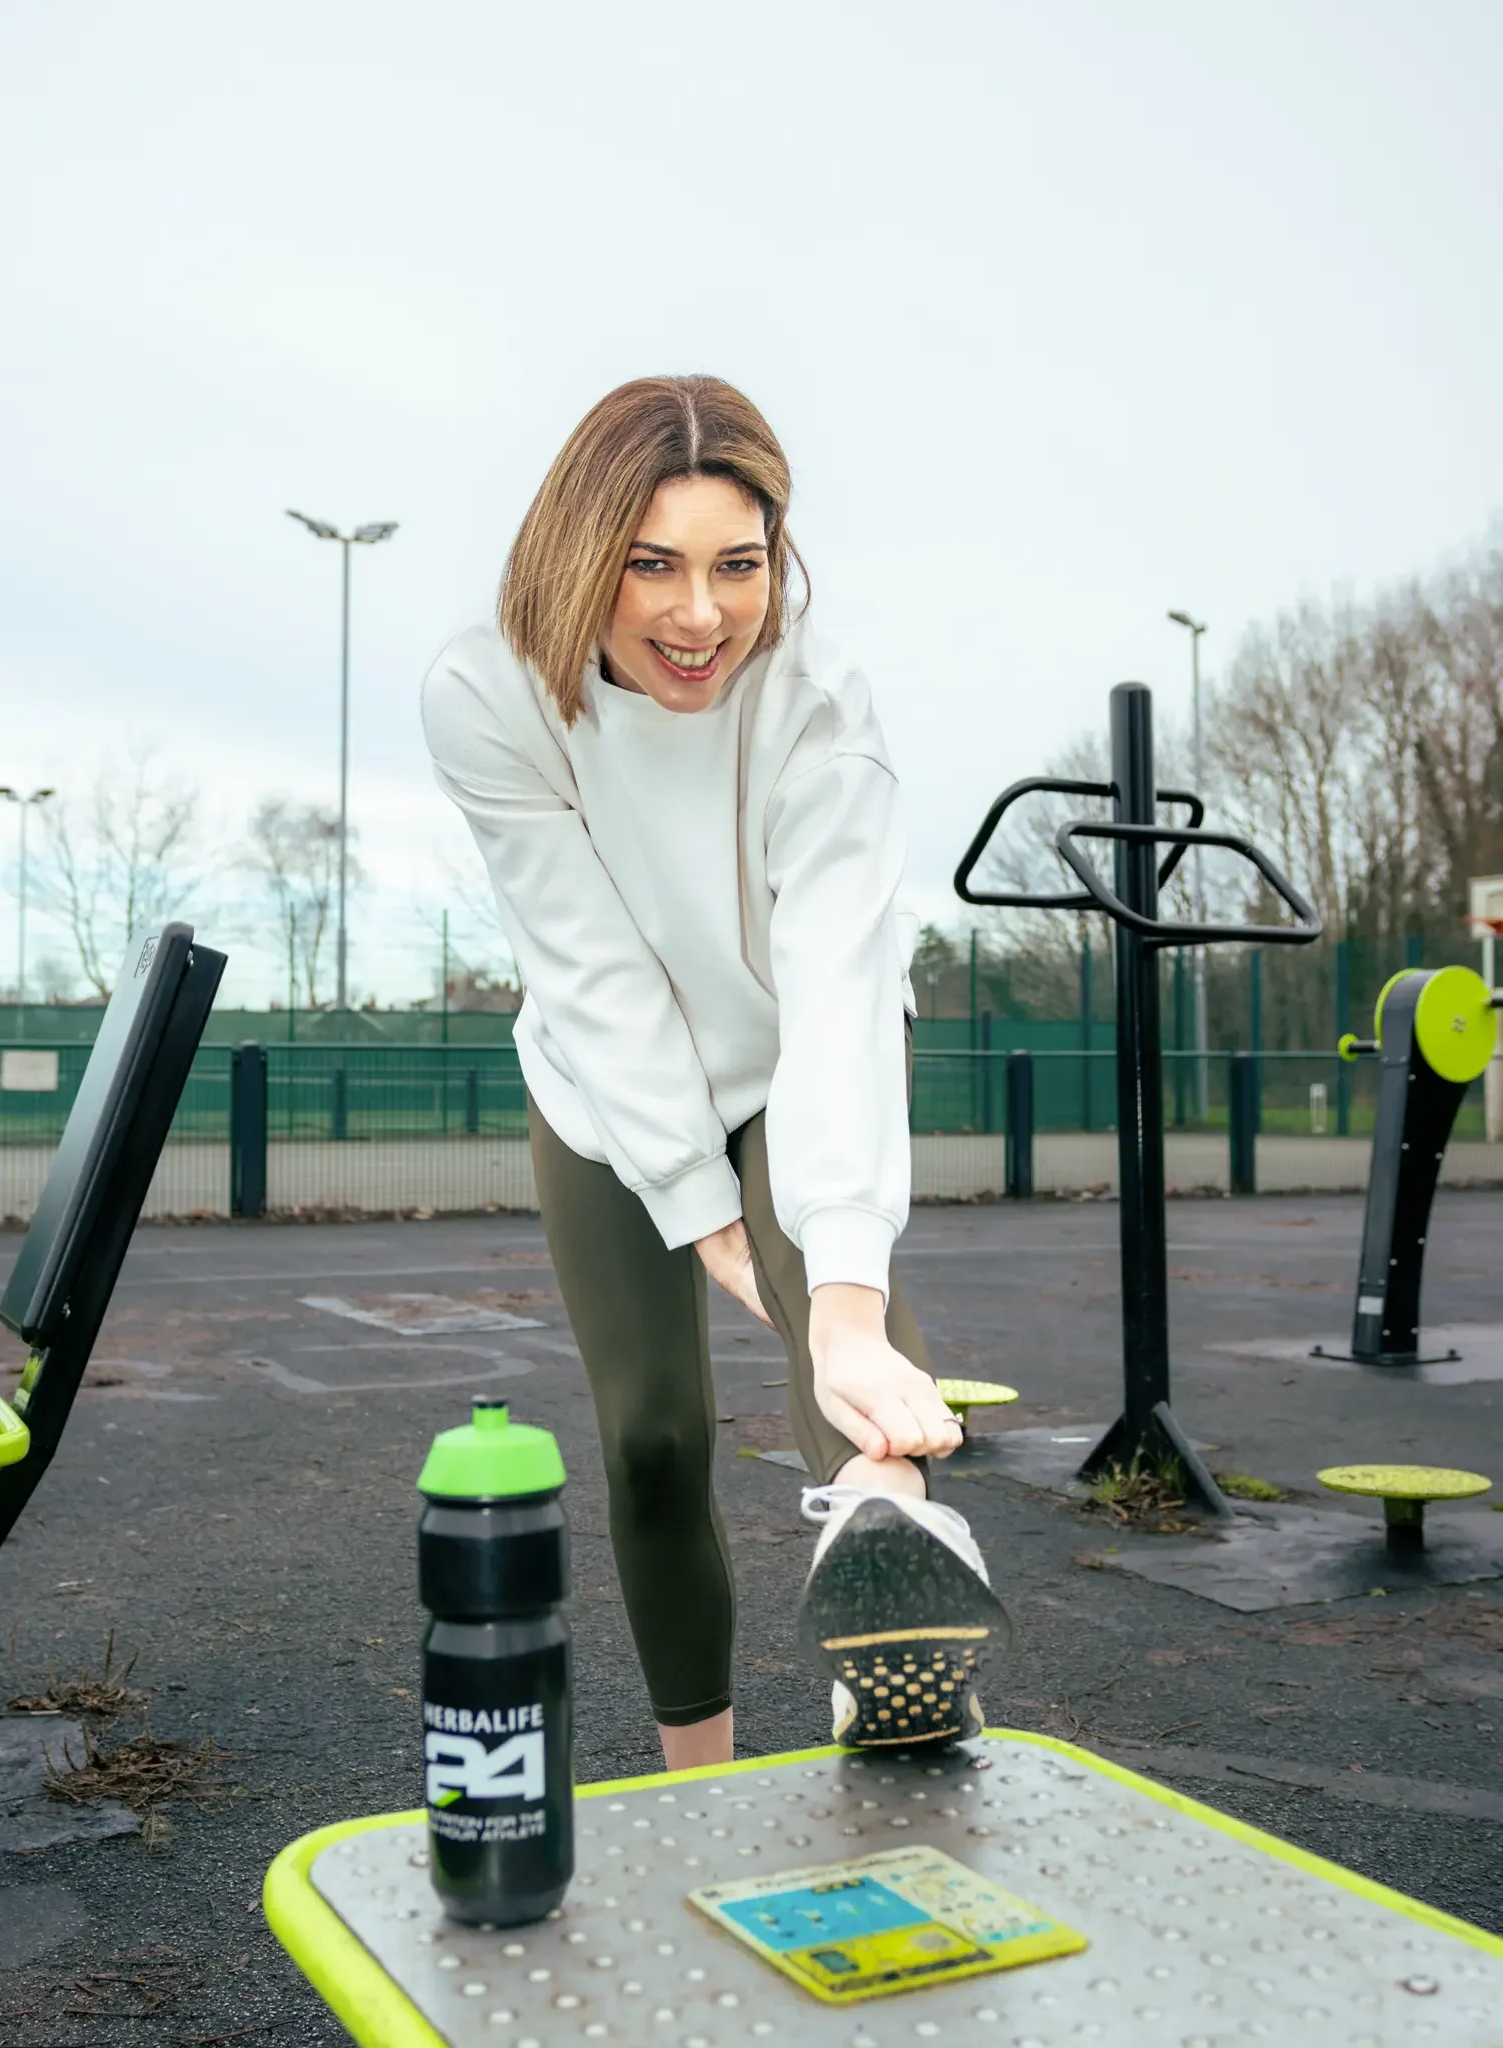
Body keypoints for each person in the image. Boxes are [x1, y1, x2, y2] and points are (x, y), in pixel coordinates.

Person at [421, 375, 1010, 1770]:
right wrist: (696, 1200)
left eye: (736, 566)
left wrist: (842, 1292)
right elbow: (592, 970)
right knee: (651, 1439)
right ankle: (704, 1790)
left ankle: (899, 1626)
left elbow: (837, 989)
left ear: (774, 561)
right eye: (651, 566)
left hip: (792, 1052)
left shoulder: (817, 704)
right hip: (602, 1077)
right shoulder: (487, 693)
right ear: (582, 557)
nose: (699, 615)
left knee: (851, 1365)